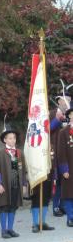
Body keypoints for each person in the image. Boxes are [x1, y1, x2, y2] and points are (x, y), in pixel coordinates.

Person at [0, 122, 27, 238]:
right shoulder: (1, 154)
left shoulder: (19, 153)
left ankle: (10, 229)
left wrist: (23, 184)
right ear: (5, 140)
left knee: (13, 206)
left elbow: (23, 170)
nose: (12, 140)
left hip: (15, 184)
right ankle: (4, 230)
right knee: (4, 206)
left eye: (14, 138)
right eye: (10, 138)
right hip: (5, 184)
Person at [51, 82, 71, 217]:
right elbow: (47, 129)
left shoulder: (71, 114)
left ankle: (64, 205)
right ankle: (55, 206)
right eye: (65, 100)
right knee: (56, 180)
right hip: (54, 151)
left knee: (67, 179)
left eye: (69, 100)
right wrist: (58, 120)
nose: (68, 102)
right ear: (59, 101)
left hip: (67, 152)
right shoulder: (52, 113)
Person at [57, 95, 73, 228]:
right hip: (69, 168)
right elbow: (61, 153)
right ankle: (70, 217)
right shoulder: (64, 132)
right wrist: (64, 169)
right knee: (68, 194)